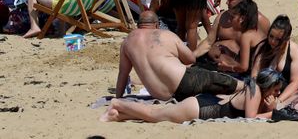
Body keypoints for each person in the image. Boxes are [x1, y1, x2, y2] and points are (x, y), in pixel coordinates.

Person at [116, 11, 238, 101]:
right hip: (183, 82)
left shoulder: (127, 42)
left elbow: (123, 74)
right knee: (223, 81)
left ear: (139, 25)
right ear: (157, 24)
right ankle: (249, 87)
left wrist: (118, 97)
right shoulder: (166, 35)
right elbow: (190, 59)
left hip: (160, 94)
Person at [101, 68, 283, 123]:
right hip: (200, 109)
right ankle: (118, 104)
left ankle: (118, 115)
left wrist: (270, 107)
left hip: (207, 104)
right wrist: (272, 111)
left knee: (155, 115)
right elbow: (251, 119)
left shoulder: (254, 89)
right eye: (276, 89)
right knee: (154, 115)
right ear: (267, 85)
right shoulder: (255, 92)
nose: (277, 93)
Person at [192, 0, 264, 74]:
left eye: (232, 17)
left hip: (255, 75)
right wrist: (229, 52)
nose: (230, 21)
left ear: (241, 19)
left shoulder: (246, 36)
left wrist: (227, 67)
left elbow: (243, 67)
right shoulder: (253, 31)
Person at [250, 15, 298, 105]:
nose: (273, 41)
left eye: (278, 40)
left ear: (287, 39)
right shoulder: (263, 47)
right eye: (271, 37)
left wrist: (278, 101)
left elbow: (296, 82)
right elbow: (254, 74)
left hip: (287, 94)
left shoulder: (295, 51)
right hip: (265, 91)